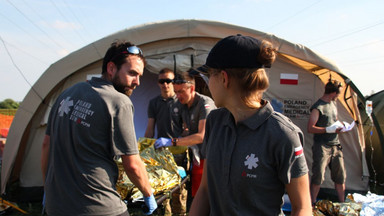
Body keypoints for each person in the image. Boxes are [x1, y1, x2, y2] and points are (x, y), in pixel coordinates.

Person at [189, 35, 312, 216]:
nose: (207, 85)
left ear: (224, 78)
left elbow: (302, 208)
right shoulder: (215, 122)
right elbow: (206, 190)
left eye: (209, 76)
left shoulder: (283, 134)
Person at [41, 41, 157, 216]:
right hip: (98, 206)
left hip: (56, 207)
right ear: (111, 68)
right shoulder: (118, 101)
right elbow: (132, 164)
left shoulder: (67, 94)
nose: (137, 82)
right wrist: (148, 194)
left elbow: (46, 146)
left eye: (139, 76)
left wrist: (48, 190)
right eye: (132, 73)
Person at [154, 71, 216, 199]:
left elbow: (201, 136)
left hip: (211, 156)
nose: (178, 95)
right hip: (197, 155)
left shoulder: (205, 104)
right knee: (197, 194)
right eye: (176, 92)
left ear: (192, 88)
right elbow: (186, 130)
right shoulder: (182, 105)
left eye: (181, 91)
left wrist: (173, 142)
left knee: (207, 196)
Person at [144, 68, 187, 216]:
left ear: (173, 82)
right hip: (162, 153)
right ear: (158, 83)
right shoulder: (154, 103)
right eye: (162, 81)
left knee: (179, 192)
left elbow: (187, 130)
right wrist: (145, 148)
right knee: (163, 191)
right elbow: (150, 128)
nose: (165, 84)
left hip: (179, 152)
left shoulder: (181, 101)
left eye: (169, 81)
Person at [307, 79, 346, 204]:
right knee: (318, 177)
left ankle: (342, 204)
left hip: (336, 145)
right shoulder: (318, 107)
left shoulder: (333, 104)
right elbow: (310, 128)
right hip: (322, 146)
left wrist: (339, 127)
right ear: (333, 93)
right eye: (338, 94)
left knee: (340, 178)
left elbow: (334, 120)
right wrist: (327, 129)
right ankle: (312, 205)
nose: (337, 97)